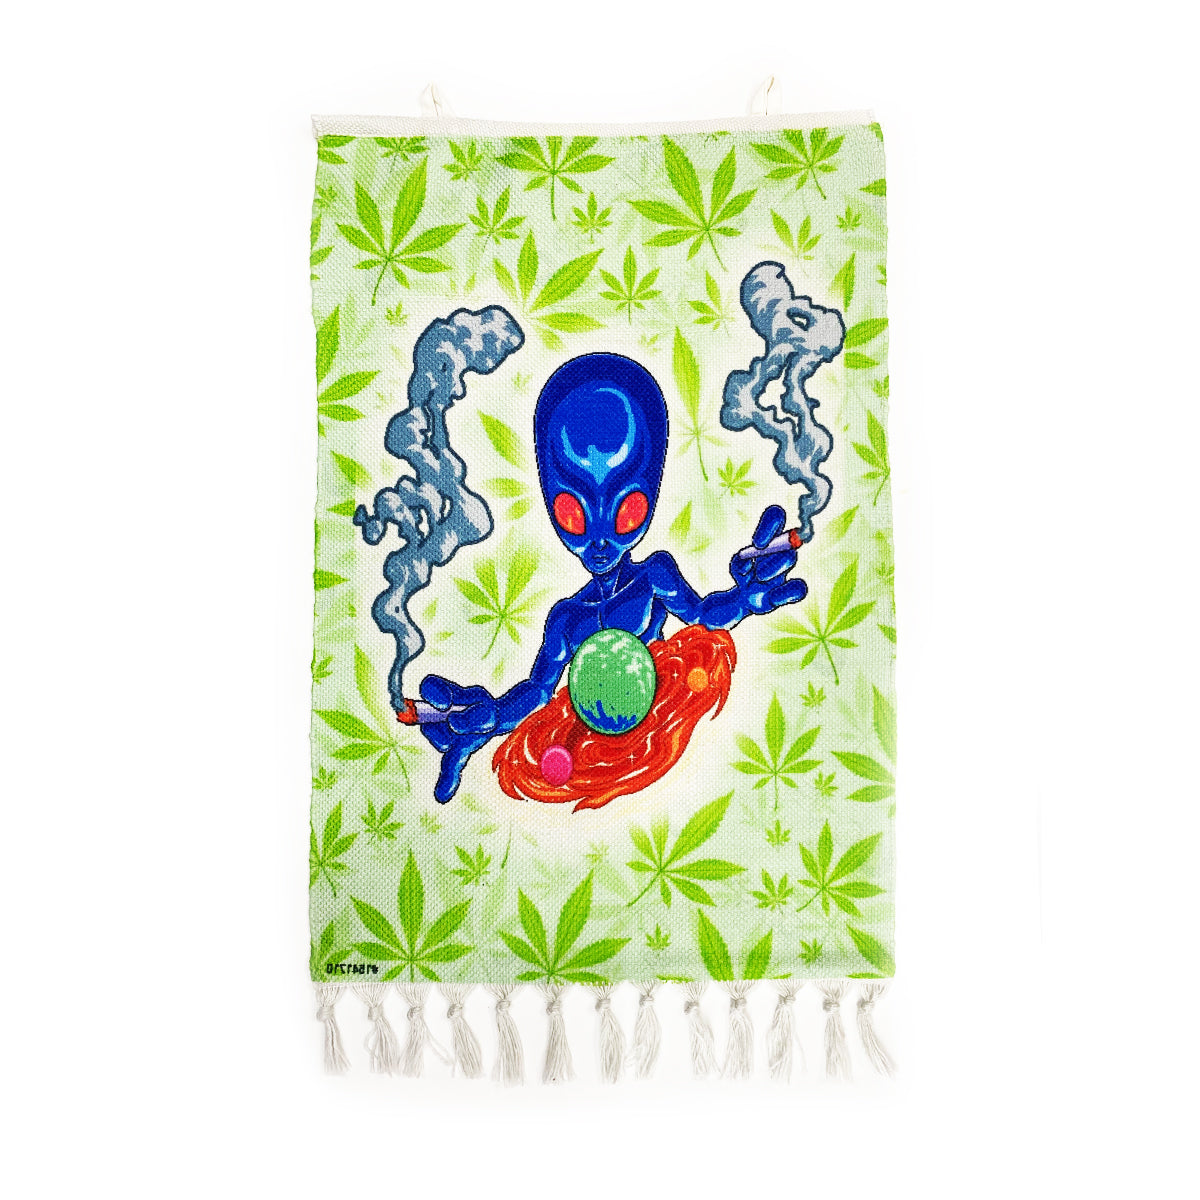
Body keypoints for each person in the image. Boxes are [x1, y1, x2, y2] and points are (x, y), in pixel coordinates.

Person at [420, 352, 807, 802]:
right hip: (599, 767)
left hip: (668, 737)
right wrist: (493, 716)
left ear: (653, 493)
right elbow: (538, 691)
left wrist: (743, 599)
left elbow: (702, 614)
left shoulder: (653, 578)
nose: (600, 539)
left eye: (626, 510)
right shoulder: (567, 619)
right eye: (573, 513)